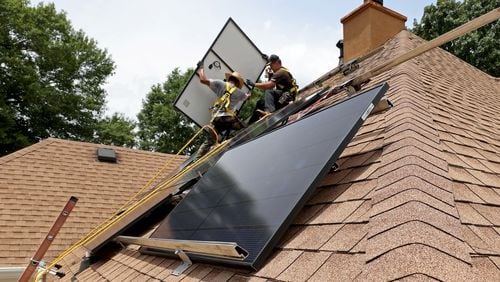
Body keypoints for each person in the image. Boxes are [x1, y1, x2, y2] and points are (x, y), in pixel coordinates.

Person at [195, 61, 249, 158]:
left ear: (229, 79)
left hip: (216, 119)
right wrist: (249, 93)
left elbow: (203, 80)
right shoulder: (240, 93)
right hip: (229, 120)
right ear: (237, 83)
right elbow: (247, 97)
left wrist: (201, 68)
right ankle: (230, 144)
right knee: (245, 129)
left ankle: (196, 160)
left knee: (208, 141)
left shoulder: (220, 83)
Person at [246, 54, 299, 123]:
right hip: (282, 99)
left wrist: (254, 84)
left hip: (287, 98)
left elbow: (269, 86)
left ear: (277, 63)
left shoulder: (281, 72)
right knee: (260, 103)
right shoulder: (278, 73)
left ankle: (269, 112)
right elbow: (271, 86)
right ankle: (251, 123)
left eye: (271, 65)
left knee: (269, 91)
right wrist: (270, 75)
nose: (270, 67)